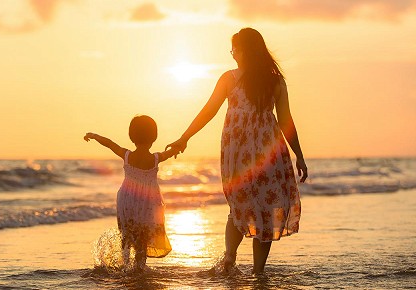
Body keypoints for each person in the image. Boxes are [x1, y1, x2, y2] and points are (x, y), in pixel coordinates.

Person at [166, 28, 308, 274]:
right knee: (266, 207)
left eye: (234, 49)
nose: (232, 54)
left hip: (238, 151)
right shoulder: (274, 80)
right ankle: (257, 271)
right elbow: (285, 120)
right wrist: (299, 155)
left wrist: (184, 137)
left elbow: (209, 110)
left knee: (239, 205)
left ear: (244, 51)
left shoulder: (230, 78)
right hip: (268, 151)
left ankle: (230, 258)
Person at [84, 115, 177, 272]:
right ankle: (139, 267)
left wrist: (94, 136)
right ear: (154, 137)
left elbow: (109, 144)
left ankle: (125, 265)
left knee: (126, 234)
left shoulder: (127, 155)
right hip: (147, 203)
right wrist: (178, 147)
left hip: (127, 200)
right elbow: (171, 152)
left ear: (131, 136)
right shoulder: (155, 158)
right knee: (143, 237)